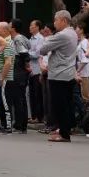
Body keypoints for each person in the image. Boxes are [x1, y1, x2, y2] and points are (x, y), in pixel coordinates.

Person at [38, 10, 79, 142]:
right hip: (68, 72)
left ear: (64, 20)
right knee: (66, 104)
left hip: (59, 74)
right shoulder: (73, 33)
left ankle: (64, 133)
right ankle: (64, 130)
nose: (54, 23)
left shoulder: (62, 35)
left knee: (59, 105)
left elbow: (43, 49)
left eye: (56, 20)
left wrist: (50, 41)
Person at [6, 19, 31, 134]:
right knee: (20, 98)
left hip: (18, 71)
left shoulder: (18, 38)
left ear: (13, 28)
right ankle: (21, 125)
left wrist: (27, 66)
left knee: (18, 99)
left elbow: (25, 54)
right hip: (20, 71)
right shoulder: (22, 38)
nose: (8, 27)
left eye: (9, 25)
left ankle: (20, 125)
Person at [28, 19, 45, 124]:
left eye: (32, 26)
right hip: (30, 70)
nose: (30, 27)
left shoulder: (40, 39)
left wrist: (26, 53)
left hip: (37, 70)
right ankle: (34, 116)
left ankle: (39, 117)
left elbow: (37, 54)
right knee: (32, 94)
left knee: (37, 94)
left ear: (37, 27)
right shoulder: (30, 39)